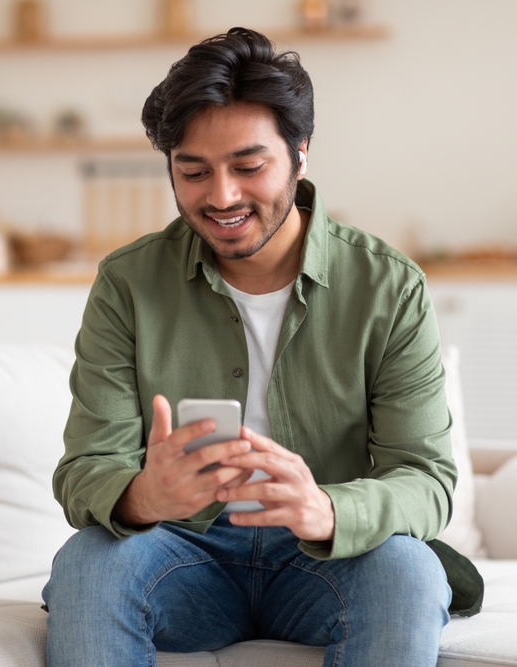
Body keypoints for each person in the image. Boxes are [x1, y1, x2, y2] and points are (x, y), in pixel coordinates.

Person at [42, 26, 482, 667]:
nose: (221, 196)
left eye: (249, 167)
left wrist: (326, 508)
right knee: (88, 563)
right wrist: (145, 496)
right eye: (193, 172)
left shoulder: (388, 286)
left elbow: (427, 479)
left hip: (325, 557)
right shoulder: (128, 283)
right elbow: (85, 469)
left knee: (408, 571)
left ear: (300, 155)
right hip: (182, 556)